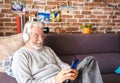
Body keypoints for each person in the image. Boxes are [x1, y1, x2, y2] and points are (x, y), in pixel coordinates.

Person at [12, 21, 103, 83]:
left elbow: (61, 64)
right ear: (26, 36)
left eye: (43, 36)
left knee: (90, 61)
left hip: (66, 79)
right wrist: (54, 80)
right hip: (53, 81)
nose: (41, 40)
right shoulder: (20, 55)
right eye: (36, 36)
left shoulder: (48, 49)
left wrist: (70, 71)